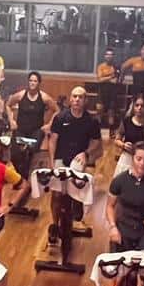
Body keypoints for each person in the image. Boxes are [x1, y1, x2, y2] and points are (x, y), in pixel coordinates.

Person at [44, 86, 104, 237]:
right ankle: (55, 225)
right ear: (70, 99)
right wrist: (51, 163)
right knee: (57, 194)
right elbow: (53, 141)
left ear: (85, 100)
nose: (77, 99)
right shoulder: (60, 118)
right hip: (61, 158)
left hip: (78, 159)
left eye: (80, 97)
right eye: (74, 96)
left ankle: (77, 204)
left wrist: (86, 153)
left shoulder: (91, 121)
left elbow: (97, 142)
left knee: (76, 186)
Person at [106, 142, 144, 253]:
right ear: (132, 158)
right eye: (138, 159)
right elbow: (110, 206)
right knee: (115, 262)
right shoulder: (119, 180)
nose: (142, 164)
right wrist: (112, 227)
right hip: (123, 228)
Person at [10, 72, 58, 179]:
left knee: (29, 153)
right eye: (30, 80)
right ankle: (20, 176)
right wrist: (11, 120)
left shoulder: (44, 97)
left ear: (39, 83)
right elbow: (8, 105)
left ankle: (25, 177)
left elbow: (57, 110)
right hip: (21, 130)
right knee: (15, 154)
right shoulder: (21, 95)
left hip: (35, 131)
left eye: (35, 81)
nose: (32, 83)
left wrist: (49, 124)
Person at [111, 93, 144, 179]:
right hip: (127, 159)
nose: (139, 108)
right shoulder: (126, 121)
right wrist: (123, 145)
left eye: (142, 106)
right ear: (133, 106)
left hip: (143, 161)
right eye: (137, 105)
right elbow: (117, 140)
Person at [95, 47, 121, 130]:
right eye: (108, 54)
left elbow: (116, 81)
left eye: (111, 55)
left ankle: (111, 131)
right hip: (102, 92)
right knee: (99, 111)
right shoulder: (100, 66)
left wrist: (105, 78)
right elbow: (99, 79)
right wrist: (110, 77)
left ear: (113, 56)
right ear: (105, 56)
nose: (109, 56)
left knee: (111, 113)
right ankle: (96, 129)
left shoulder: (116, 67)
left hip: (112, 93)